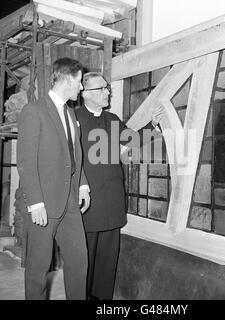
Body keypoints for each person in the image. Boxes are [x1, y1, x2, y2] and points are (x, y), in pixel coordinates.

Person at [76, 72, 162, 300]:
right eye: (101, 89)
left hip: (112, 201)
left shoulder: (111, 119)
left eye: (107, 88)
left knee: (107, 260)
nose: (107, 91)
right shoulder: (72, 120)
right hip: (87, 204)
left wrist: (152, 125)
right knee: (85, 260)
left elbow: (132, 139)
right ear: (85, 93)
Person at [17, 57, 90, 300]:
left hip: (69, 201)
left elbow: (74, 155)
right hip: (43, 205)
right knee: (38, 268)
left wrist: (82, 185)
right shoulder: (34, 111)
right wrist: (35, 203)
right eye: (79, 82)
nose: (81, 88)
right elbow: (26, 162)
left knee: (79, 259)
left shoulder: (69, 114)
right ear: (68, 80)